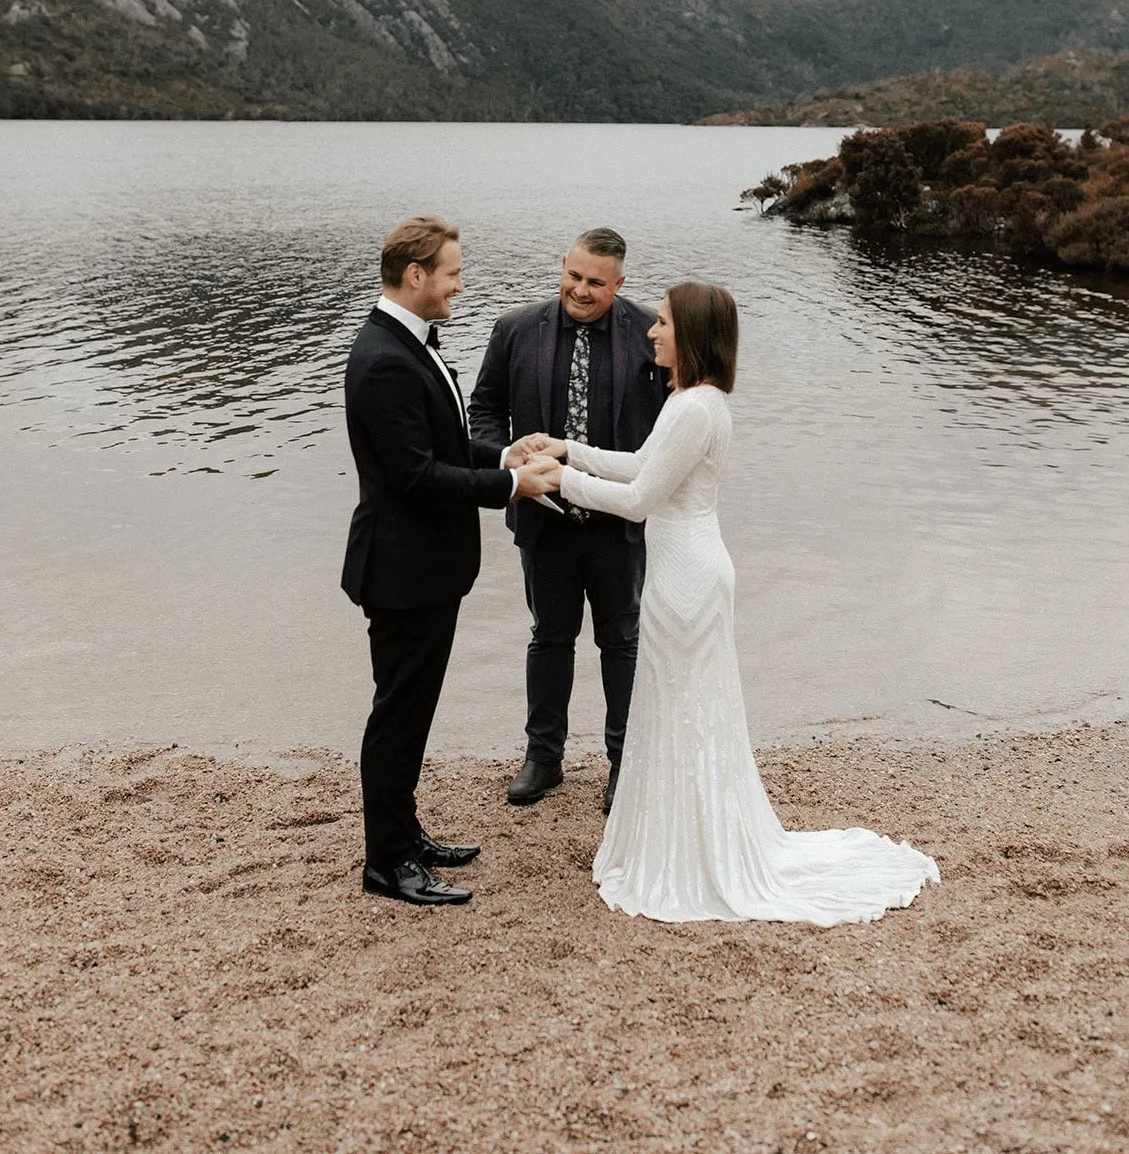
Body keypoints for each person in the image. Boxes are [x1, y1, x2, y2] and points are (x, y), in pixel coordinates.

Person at [527, 282, 940, 924]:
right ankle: (685, 836)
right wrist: (568, 447)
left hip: (687, 580)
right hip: (683, 571)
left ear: (689, 334)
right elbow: (641, 465)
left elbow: (639, 500)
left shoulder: (696, 408)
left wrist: (557, 480)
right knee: (682, 708)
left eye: (663, 323)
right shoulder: (693, 401)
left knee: (687, 710)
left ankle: (692, 852)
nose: (652, 333)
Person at [341, 216, 555, 908]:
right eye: (452, 275)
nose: (459, 287)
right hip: (402, 570)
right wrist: (510, 488)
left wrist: (500, 456)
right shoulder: (380, 359)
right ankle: (387, 864)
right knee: (398, 716)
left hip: (425, 568)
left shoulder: (407, 345)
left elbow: (441, 447)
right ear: (415, 277)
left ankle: (404, 836)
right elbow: (414, 477)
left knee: (411, 711)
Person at [469, 229, 668, 812]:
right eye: (573, 277)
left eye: (596, 283)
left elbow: (671, 424)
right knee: (549, 637)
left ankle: (623, 761)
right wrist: (505, 457)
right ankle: (543, 756)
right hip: (543, 518)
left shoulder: (651, 332)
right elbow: (484, 409)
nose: (581, 291)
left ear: (619, 283)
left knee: (622, 641)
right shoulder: (514, 329)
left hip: (618, 519)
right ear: (562, 267)